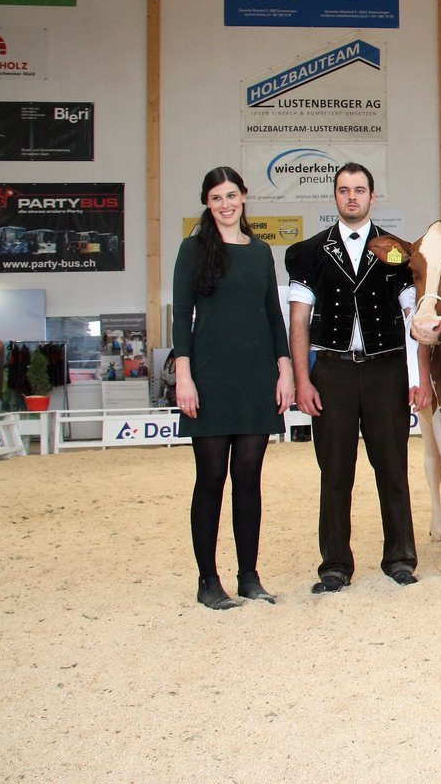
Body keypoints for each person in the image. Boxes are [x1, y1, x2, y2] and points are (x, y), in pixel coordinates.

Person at [286, 163, 427, 594]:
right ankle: (334, 565)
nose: (352, 197)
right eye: (344, 190)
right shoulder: (309, 252)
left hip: (386, 370)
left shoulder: (399, 253)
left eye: (359, 190)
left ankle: (400, 558)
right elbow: (298, 322)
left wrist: (419, 375)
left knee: (393, 468)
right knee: (334, 471)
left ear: (371, 196)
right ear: (335, 196)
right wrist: (303, 380)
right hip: (332, 371)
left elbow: (414, 318)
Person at [172, 167, 294, 610]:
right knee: (210, 478)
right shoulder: (192, 250)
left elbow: (274, 316)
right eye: (216, 198)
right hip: (209, 377)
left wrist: (284, 369)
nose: (225, 204)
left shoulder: (261, 252)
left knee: (248, 478)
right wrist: (184, 375)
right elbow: (181, 315)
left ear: (244, 197)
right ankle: (208, 580)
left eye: (231, 195)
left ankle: (249, 576)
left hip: (256, 378)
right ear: (207, 204)